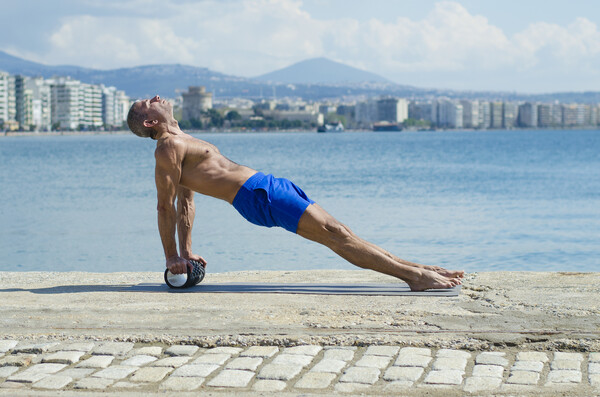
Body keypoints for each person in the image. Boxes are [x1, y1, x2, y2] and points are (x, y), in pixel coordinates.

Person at [127, 95, 464, 291]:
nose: (156, 98)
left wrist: (187, 251)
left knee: (343, 232)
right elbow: (166, 207)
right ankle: (416, 278)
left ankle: (420, 268)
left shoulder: (183, 139)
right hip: (256, 196)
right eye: (148, 103)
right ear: (149, 124)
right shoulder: (168, 147)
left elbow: (187, 203)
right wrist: (172, 258)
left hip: (266, 185)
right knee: (335, 235)